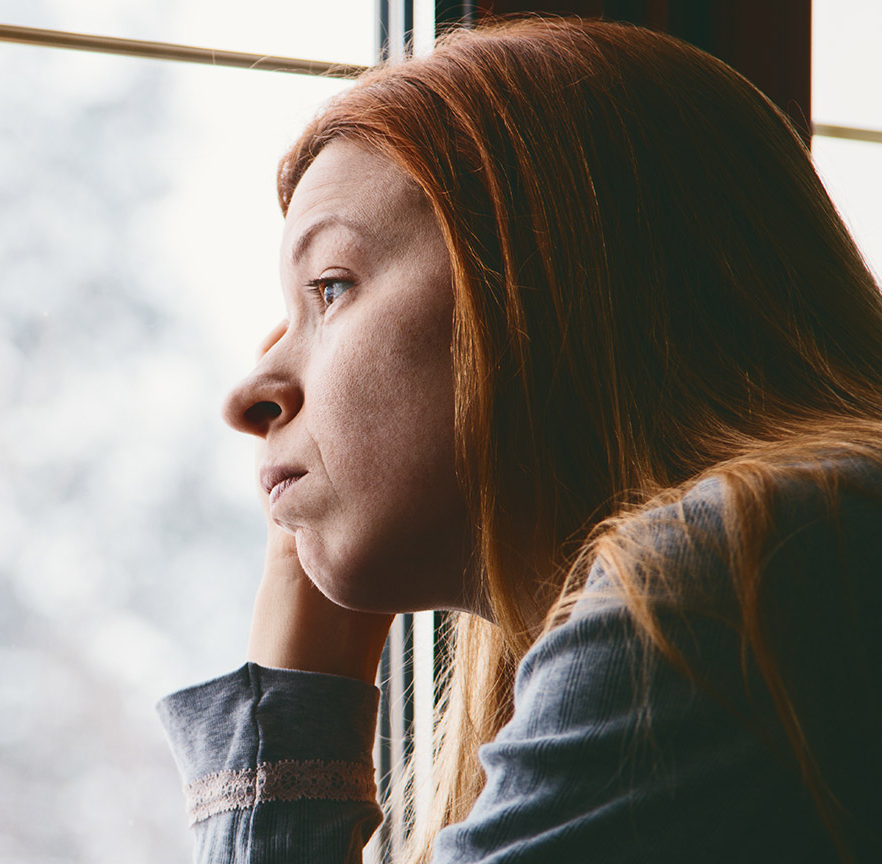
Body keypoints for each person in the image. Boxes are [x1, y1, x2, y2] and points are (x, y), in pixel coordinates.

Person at [157, 15, 882, 864]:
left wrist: (288, 708)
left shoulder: (736, 573)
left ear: (548, 278)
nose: (251, 394)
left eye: (331, 286)